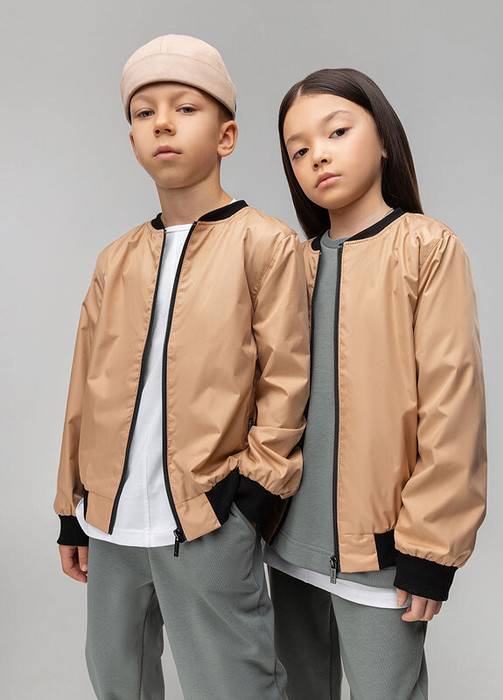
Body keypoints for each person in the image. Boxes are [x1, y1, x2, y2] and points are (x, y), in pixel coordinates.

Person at [53, 34, 310, 700]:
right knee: (117, 679)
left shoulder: (265, 243)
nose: (162, 123)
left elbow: (287, 381)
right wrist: (70, 508)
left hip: (206, 517)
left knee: (233, 684)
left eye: (185, 108)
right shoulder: (116, 259)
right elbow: (85, 389)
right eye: (144, 113)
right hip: (110, 522)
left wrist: (251, 501)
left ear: (226, 136)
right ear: (132, 139)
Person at [263, 68, 487, 700]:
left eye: (337, 132)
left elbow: (453, 404)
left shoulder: (427, 248)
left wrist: (431, 547)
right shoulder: (294, 263)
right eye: (298, 150)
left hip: (383, 548)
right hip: (287, 543)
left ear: (384, 138)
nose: (318, 156)